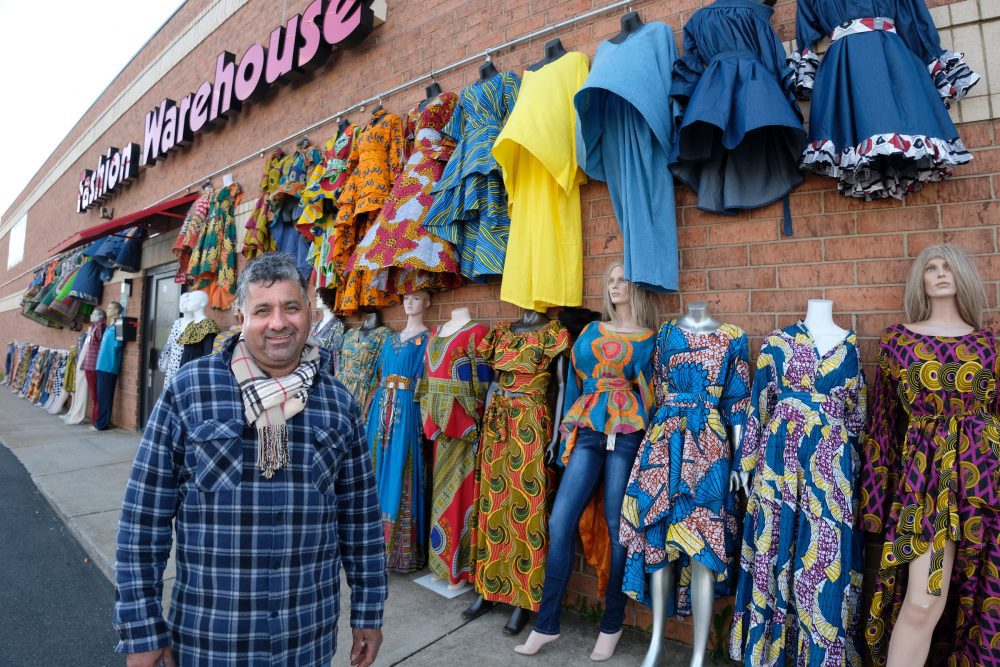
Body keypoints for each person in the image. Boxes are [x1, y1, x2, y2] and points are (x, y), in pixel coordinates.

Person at [113, 252, 387, 666]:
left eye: (291, 307)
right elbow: (143, 518)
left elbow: (361, 519)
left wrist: (368, 610)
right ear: (241, 317)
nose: (279, 322)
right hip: (211, 638)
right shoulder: (192, 389)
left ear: (309, 313)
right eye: (263, 310)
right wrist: (142, 629)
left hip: (306, 639)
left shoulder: (338, 403)